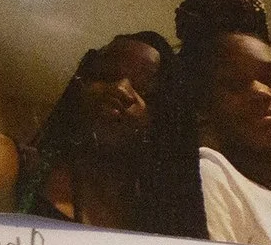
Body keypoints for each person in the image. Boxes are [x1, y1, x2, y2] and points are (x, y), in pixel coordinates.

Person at [144, 0, 271, 245]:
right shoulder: (210, 175)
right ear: (203, 104)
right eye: (236, 84)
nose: (262, 92)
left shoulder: (268, 198)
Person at [16, 33, 173, 230]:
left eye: (144, 88)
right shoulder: (13, 166)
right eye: (106, 74)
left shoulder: (156, 218)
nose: (121, 88)